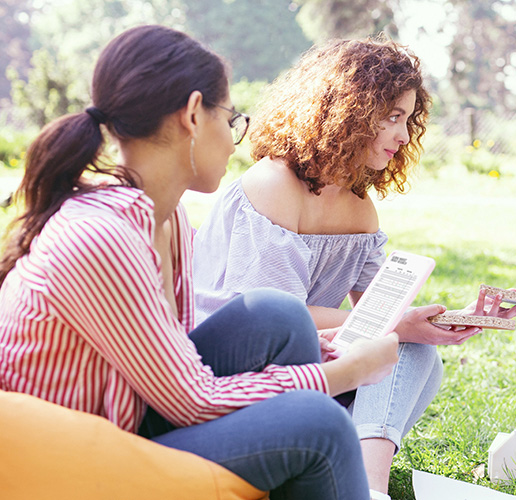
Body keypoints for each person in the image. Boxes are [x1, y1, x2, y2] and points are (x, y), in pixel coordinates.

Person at [0, 25, 401, 500]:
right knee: (322, 424)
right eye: (231, 119)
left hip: (128, 414)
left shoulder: (165, 219)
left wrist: (319, 350)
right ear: (193, 114)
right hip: (68, 456)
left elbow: (176, 358)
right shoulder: (103, 237)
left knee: (277, 314)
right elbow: (192, 398)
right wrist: (347, 372)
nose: (236, 141)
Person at [191, 36, 516, 498]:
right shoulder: (274, 184)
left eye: (407, 120)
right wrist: (397, 326)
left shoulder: (360, 209)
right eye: (391, 117)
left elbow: (378, 311)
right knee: (395, 339)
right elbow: (275, 319)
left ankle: (370, 482)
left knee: (416, 354)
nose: (404, 136)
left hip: (316, 361)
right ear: (348, 109)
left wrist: (455, 318)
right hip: (244, 366)